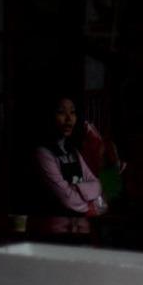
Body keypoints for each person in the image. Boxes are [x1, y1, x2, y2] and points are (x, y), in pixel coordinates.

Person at [32, 94, 110, 234]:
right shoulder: (43, 153)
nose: (69, 119)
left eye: (72, 112)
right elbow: (67, 199)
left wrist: (77, 187)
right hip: (56, 228)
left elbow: (97, 184)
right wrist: (91, 204)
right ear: (50, 116)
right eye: (61, 112)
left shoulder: (72, 150)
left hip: (81, 225)